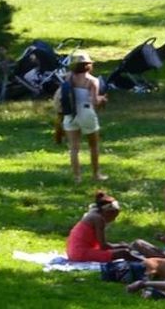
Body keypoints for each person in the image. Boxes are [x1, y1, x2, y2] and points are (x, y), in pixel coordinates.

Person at [59, 51, 106, 183]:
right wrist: (102, 99)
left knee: (74, 148)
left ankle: (77, 177)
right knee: (94, 145)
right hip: (86, 113)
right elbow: (94, 101)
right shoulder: (92, 80)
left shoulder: (68, 77)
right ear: (88, 65)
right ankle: (96, 174)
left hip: (70, 114)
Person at [66, 191, 128, 262]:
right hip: (81, 253)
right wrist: (121, 246)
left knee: (123, 251)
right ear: (107, 212)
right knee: (124, 253)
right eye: (113, 216)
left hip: (74, 252)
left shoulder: (92, 215)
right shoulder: (98, 219)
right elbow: (103, 246)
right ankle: (142, 264)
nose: (113, 219)